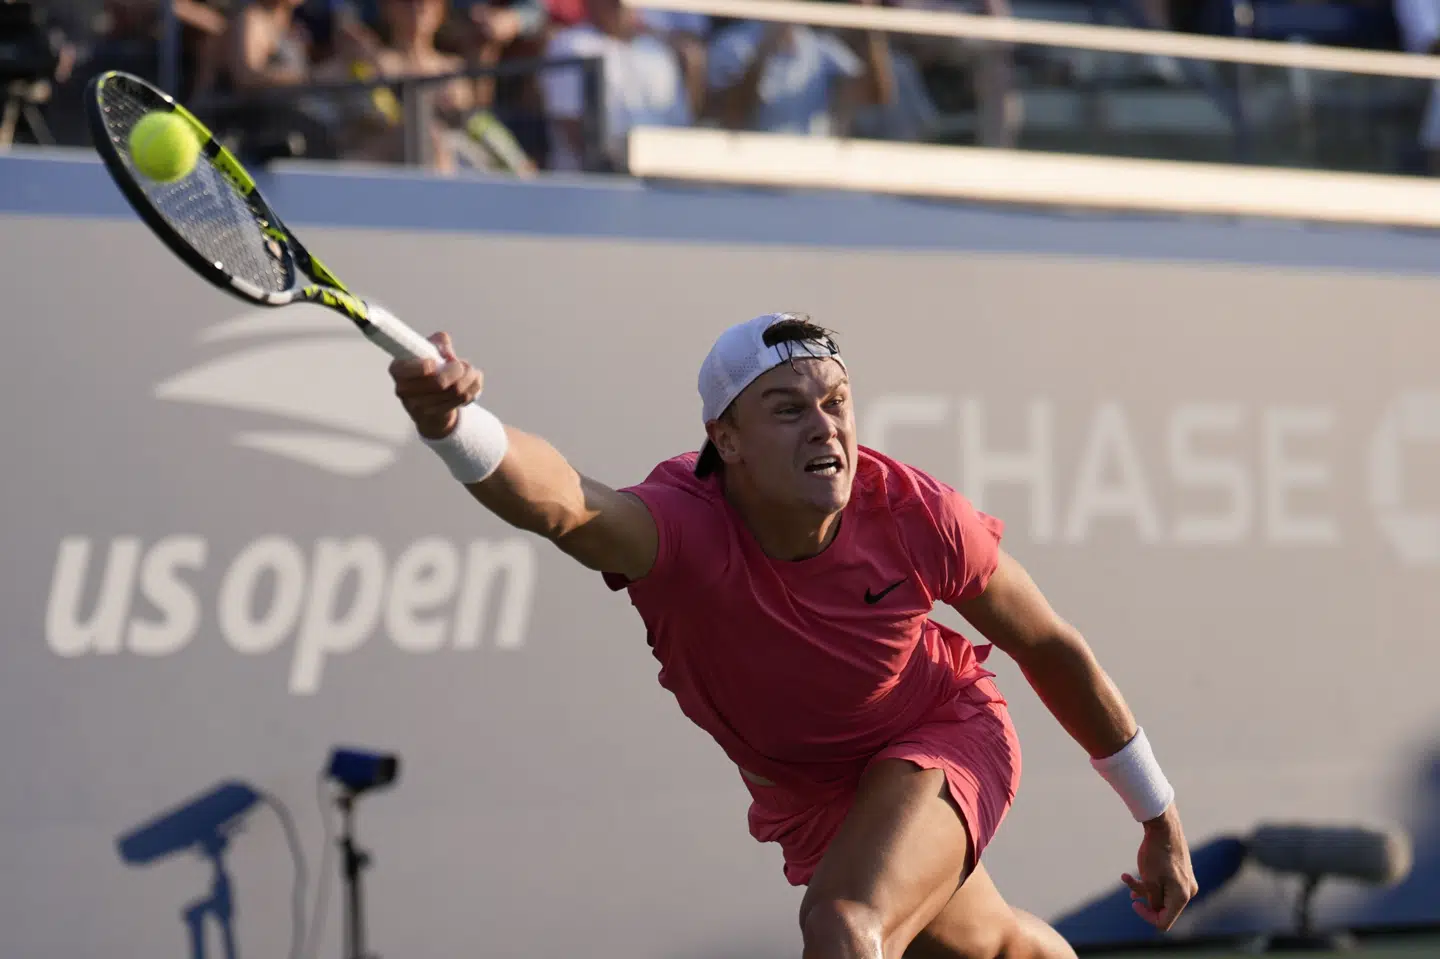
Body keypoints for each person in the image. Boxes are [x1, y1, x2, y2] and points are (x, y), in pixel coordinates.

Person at [388, 311, 1199, 959]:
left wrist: (1156, 814)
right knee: (989, 948)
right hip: (813, 794)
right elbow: (562, 500)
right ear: (726, 441)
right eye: (788, 408)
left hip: (943, 732)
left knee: (845, 927)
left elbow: (1048, 645)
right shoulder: (683, 531)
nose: (825, 427)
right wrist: (455, 424)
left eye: (836, 402)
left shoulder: (920, 516)